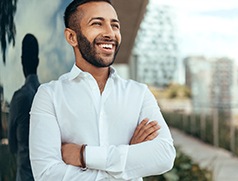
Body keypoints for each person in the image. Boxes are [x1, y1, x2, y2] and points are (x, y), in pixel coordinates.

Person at [29, 0, 176, 180]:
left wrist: (83, 155)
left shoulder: (139, 93)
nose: (110, 33)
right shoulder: (49, 96)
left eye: (115, 25)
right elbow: (46, 174)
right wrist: (129, 158)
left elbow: (164, 155)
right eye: (97, 23)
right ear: (71, 37)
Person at [8, 33, 40, 181]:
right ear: (38, 62)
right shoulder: (47, 96)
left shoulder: (19, 98)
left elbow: (12, 146)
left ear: (21, 61)